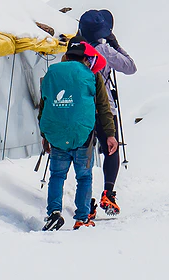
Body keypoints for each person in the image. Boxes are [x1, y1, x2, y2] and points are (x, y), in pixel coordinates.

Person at [39, 42, 117, 231]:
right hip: (83, 134)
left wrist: (45, 134)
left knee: (57, 176)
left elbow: (45, 104)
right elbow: (103, 106)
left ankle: (54, 213)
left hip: (57, 134)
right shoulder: (92, 75)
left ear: (67, 56)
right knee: (84, 177)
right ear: (85, 58)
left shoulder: (52, 73)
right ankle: (82, 218)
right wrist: (110, 134)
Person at [77, 9, 137, 217]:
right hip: (105, 109)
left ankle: (85, 202)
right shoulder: (104, 50)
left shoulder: (74, 48)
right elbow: (130, 67)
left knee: (83, 153)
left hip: (80, 108)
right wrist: (116, 45)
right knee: (111, 149)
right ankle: (108, 193)